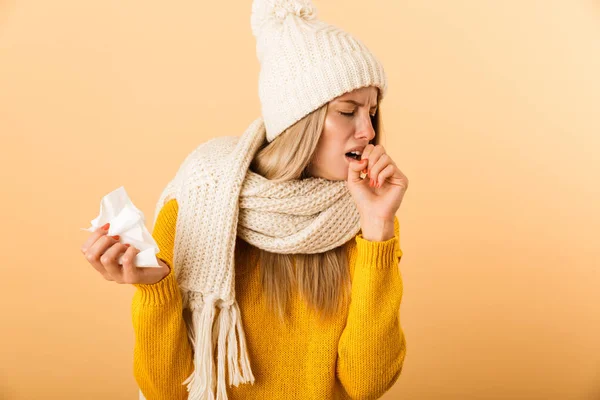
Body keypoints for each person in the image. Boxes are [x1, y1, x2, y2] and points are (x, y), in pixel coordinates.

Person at [81, 0, 409, 399]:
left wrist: (377, 229)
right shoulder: (200, 197)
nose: (367, 132)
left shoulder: (365, 217)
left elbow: (366, 383)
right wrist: (155, 290)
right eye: (347, 111)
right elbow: (167, 391)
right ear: (297, 121)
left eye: (372, 112)